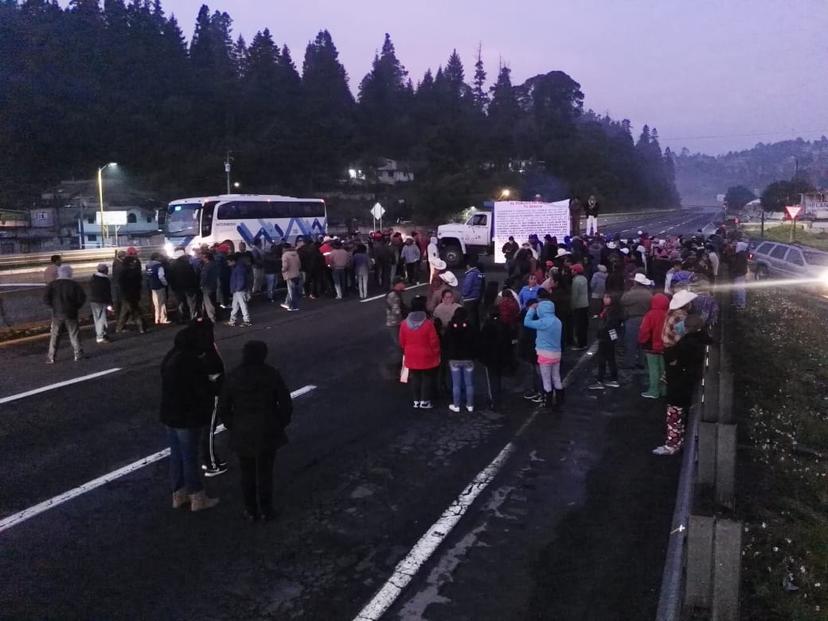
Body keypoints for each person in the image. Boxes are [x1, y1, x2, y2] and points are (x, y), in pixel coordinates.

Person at [218, 340, 292, 521]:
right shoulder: (271, 374)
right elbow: (285, 403)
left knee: (247, 472)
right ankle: (266, 509)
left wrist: (232, 425)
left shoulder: (234, 376)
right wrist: (280, 423)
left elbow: (223, 407)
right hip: (267, 427)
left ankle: (251, 510)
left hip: (242, 429)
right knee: (265, 472)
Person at [159, 326, 219, 511]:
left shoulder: (170, 357)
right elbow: (201, 390)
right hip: (187, 416)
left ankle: (178, 493)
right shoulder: (191, 362)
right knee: (189, 457)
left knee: (176, 456)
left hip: (169, 414)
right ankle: (197, 497)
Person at [653, 315, 712, 455]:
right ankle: (679, 440)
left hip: (679, 383)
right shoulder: (702, 340)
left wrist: (672, 360)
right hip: (688, 383)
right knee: (682, 414)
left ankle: (672, 445)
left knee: (674, 415)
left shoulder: (687, 344)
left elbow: (672, 357)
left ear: (687, 328)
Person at [398, 295, 440, 409]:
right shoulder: (428, 324)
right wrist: (436, 353)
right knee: (427, 378)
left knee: (415, 378)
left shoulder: (404, 324)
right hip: (426, 355)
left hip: (411, 354)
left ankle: (416, 400)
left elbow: (401, 341)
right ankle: (424, 400)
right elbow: (434, 341)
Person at [523, 297, 564, 410]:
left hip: (545, 354)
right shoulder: (558, 321)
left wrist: (531, 309)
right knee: (556, 377)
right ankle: (560, 401)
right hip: (557, 353)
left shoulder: (543, 322)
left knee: (546, 380)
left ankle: (548, 403)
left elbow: (527, 322)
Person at [44, 264, 86, 363]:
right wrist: (75, 307)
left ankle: (51, 356)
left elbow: (46, 298)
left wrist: (53, 306)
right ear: (70, 273)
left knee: (55, 335)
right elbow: (82, 298)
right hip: (71, 313)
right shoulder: (74, 285)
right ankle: (78, 354)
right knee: (74, 334)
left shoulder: (52, 285)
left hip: (57, 314)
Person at [479, 307, 514, 411]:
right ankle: (497, 399)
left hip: (490, 358)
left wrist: (482, 358)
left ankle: (495, 401)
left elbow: (483, 344)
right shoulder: (504, 325)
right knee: (497, 379)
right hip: (501, 357)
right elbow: (508, 343)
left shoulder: (487, 327)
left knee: (492, 380)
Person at [442, 307, 477, 413]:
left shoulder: (450, 327)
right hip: (468, 358)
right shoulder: (470, 327)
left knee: (456, 384)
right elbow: (475, 342)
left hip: (454, 359)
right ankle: (470, 405)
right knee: (469, 383)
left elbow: (445, 342)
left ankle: (456, 405)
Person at [638, 293, 669, 399]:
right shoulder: (668, 314)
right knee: (663, 368)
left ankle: (654, 391)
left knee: (653, 369)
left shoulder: (650, 314)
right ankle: (663, 390)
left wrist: (642, 341)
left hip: (651, 346)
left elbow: (644, 330)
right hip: (665, 346)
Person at [588, 293, 622, 390]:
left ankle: (600, 380)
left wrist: (601, 332)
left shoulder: (610, 311)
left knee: (602, 359)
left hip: (606, 337)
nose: (604, 299)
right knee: (610, 358)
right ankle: (613, 379)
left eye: (607, 297)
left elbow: (607, 324)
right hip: (610, 336)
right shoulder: (614, 310)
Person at [620, 273, 653, 369]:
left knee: (631, 342)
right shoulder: (649, 294)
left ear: (635, 282)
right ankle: (641, 362)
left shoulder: (630, 293)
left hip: (632, 319)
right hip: (645, 319)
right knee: (643, 342)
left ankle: (630, 363)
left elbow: (622, 301)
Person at [116, 248, 146, 334]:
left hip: (126, 295)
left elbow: (120, 284)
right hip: (134, 294)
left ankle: (120, 327)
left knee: (126, 311)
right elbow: (139, 282)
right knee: (135, 311)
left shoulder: (123, 272)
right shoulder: (135, 272)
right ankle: (141, 327)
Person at [167, 250, 199, 322]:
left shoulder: (172, 265)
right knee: (191, 303)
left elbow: (170, 277)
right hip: (189, 287)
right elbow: (192, 276)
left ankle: (182, 317)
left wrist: (173, 286)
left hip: (177, 288)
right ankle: (193, 317)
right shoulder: (187, 264)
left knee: (180, 303)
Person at [89, 263, 113, 344]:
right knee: (102, 319)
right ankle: (100, 336)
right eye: (107, 269)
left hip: (93, 301)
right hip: (102, 301)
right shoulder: (105, 280)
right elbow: (107, 293)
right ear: (104, 270)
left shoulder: (93, 278)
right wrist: (110, 304)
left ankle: (102, 333)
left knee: (97, 319)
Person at [227, 253, 252, 326]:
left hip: (239, 290)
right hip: (238, 290)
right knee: (237, 305)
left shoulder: (238, 268)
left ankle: (245, 320)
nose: (228, 264)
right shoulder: (239, 267)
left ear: (233, 261)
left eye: (229, 262)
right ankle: (233, 320)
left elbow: (241, 280)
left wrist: (237, 288)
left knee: (240, 305)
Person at [146, 252, 170, 325]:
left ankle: (157, 319)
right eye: (159, 257)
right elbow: (161, 276)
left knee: (156, 304)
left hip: (152, 287)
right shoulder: (159, 266)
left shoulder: (148, 265)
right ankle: (163, 319)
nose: (161, 258)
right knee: (162, 303)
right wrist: (165, 283)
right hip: (160, 286)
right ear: (156, 258)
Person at [570, 263, 590, 349]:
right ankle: (584, 343)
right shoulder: (584, 279)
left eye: (573, 270)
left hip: (578, 305)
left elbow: (574, 295)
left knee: (578, 326)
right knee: (584, 325)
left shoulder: (576, 281)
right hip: (585, 304)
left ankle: (580, 344)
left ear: (576, 271)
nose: (571, 271)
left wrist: (572, 306)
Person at [461, 258, 484, 329]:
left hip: (469, 299)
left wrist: (463, 294)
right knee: (475, 316)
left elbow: (467, 287)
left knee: (469, 317)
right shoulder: (478, 273)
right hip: (476, 297)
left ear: (468, 266)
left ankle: (471, 332)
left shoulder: (470, 275)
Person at [281, 242, 302, 311]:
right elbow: (299, 264)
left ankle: (293, 306)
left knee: (291, 292)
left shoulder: (285, 255)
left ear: (284, 248)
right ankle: (287, 303)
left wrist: (282, 270)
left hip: (289, 275)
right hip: (296, 274)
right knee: (293, 290)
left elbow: (285, 266)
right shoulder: (296, 254)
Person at [199, 251, 219, 322]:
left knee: (208, 302)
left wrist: (201, 285)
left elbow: (204, 277)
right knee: (214, 301)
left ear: (206, 258)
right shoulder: (215, 264)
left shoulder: (206, 266)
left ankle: (212, 317)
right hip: (214, 285)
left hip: (207, 286)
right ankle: (216, 315)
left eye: (203, 257)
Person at [731, 241, 749, 310]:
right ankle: (737, 303)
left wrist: (734, 271)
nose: (736, 247)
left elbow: (738, 265)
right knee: (737, 289)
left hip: (739, 274)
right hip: (740, 274)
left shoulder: (741, 255)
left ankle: (741, 305)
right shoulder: (741, 254)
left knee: (740, 289)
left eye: (737, 246)